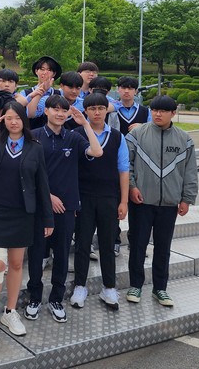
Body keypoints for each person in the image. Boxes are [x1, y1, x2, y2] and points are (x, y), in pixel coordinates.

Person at [0, 101, 54, 343]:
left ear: (24, 120)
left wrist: (48, 218)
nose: (13, 122)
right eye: (8, 118)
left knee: (15, 264)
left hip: (23, 213)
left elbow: (42, 184)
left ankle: (10, 312)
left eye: (17, 118)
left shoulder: (35, 147)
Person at [25, 95, 103, 324]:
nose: (59, 114)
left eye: (63, 110)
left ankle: (56, 299)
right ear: (46, 111)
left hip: (67, 207)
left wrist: (85, 123)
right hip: (40, 207)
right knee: (37, 253)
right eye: (55, 109)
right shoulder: (34, 136)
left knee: (61, 254)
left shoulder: (74, 137)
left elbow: (97, 152)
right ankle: (34, 298)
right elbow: (27, 173)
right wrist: (47, 197)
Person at [125, 95, 198, 308]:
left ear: (173, 113)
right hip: (141, 201)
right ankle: (135, 285)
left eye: (163, 111)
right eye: (154, 110)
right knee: (137, 245)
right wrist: (131, 187)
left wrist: (187, 199)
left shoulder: (185, 139)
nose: (158, 114)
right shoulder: (137, 135)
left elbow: (190, 171)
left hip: (169, 203)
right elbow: (126, 165)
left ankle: (160, 288)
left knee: (163, 247)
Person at [70, 92, 130, 311]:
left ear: (107, 110)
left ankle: (109, 287)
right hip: (83, 197)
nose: (97, 112)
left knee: (107, 243)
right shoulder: (76, 134)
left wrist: (124, 201)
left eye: (101, 108)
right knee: (82, 243)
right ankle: (80, 286)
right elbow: (70, 170)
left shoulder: (117, 136)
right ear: (85, 111)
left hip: (109, 197)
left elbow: (124, 170)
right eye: (92, 108)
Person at [23, 56, 63, 129]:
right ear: (36, 71)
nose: (45, 73)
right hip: (31, 132)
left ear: (54, 74)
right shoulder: (25, 93)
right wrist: (42, 90)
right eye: (42, 69)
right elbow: (29, 114)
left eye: (49, 70)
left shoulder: (59, 94)